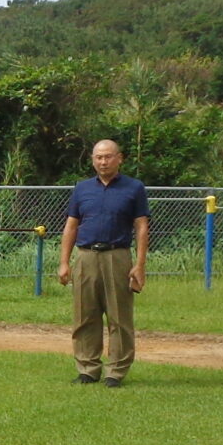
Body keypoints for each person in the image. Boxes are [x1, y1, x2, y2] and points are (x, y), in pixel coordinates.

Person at [57, 138, 151, 387]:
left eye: (108, 156)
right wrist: (64, 262)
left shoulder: (134, 188)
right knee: (85, 315)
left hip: (117, 256)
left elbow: (141, 226)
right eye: (99, 157)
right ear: (92, 160)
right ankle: (88, 368)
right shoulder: (82, 189)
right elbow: (71, 225)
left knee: (119, 317)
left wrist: (139, 264)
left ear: (119, 158)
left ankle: (115, 372)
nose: (103, 161)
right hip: (86, 256)